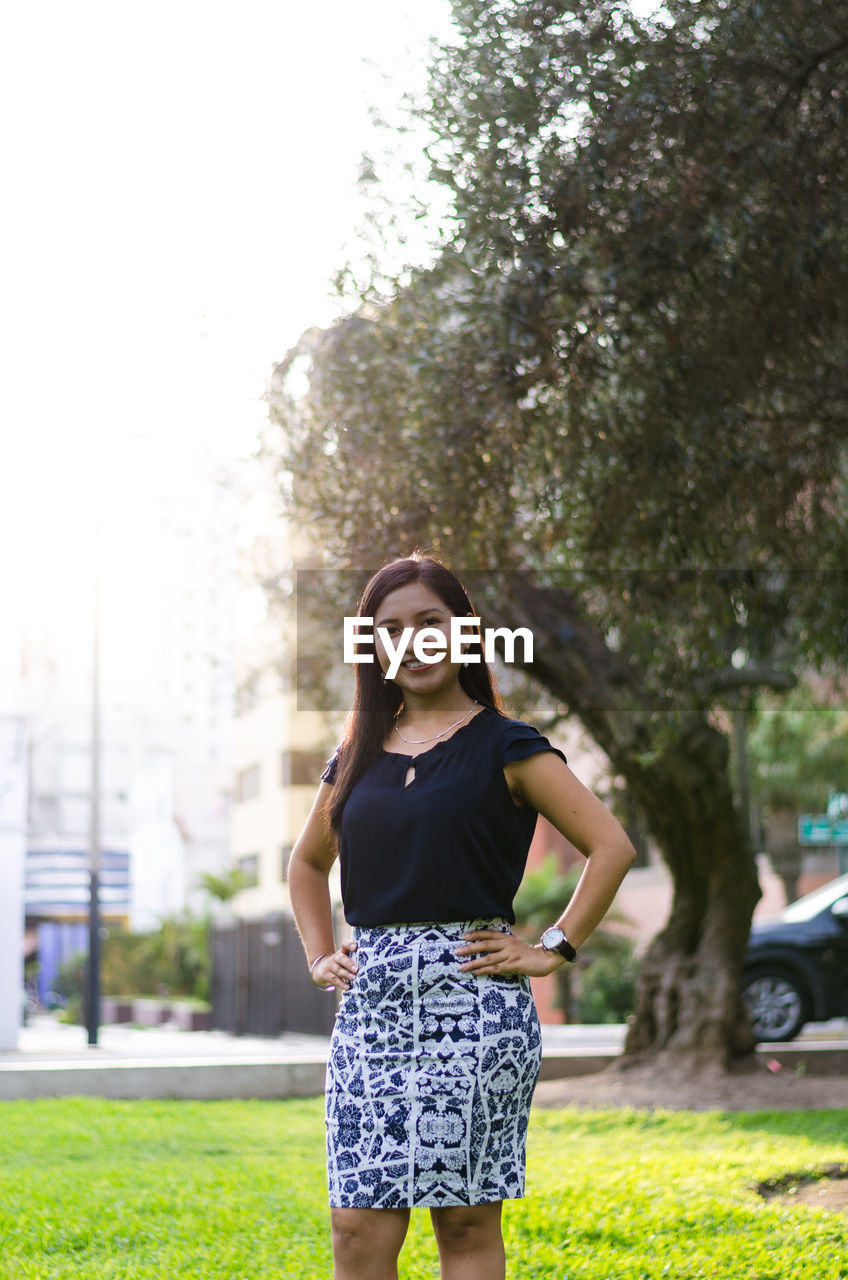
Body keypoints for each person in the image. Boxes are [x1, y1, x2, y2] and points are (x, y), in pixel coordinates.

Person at [288, 554, 636, 1280]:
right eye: (390, 630)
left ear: (465, 634)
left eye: (429, 623)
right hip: (373, 1013)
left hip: (475, 1010)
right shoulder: (353, 755)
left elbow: (611, 846)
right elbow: (307, 864)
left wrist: (552, 947)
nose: (411, 643)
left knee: (467, 1220)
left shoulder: (506, 745)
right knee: (355, 1224)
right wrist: (321, 954)